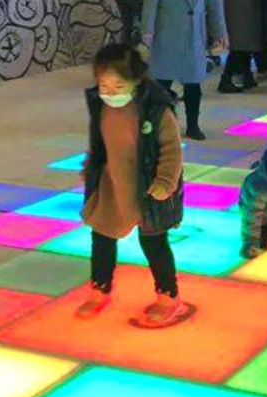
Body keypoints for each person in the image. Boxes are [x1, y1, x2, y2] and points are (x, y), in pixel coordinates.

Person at [76, 44, 193, 328]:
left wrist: (165, 181)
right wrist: (91, 166)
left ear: (136, 81)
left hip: (147, 189)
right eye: (104, 86)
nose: (110, 93)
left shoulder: (156, 111)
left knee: (153, 242)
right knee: (102, 236)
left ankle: (169, 297)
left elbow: (171, 150)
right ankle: (99, 289)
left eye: (118, 86)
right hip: (112, 184)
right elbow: (100, 143)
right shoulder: (102, 106)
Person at [142, 0, 227, 141]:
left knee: (193, 83)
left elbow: (214, 2)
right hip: (167, 32)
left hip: (194, 34)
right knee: (162, 83)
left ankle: (193, 125)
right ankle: (155, 124)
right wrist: (147, 29)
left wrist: (220, 31)